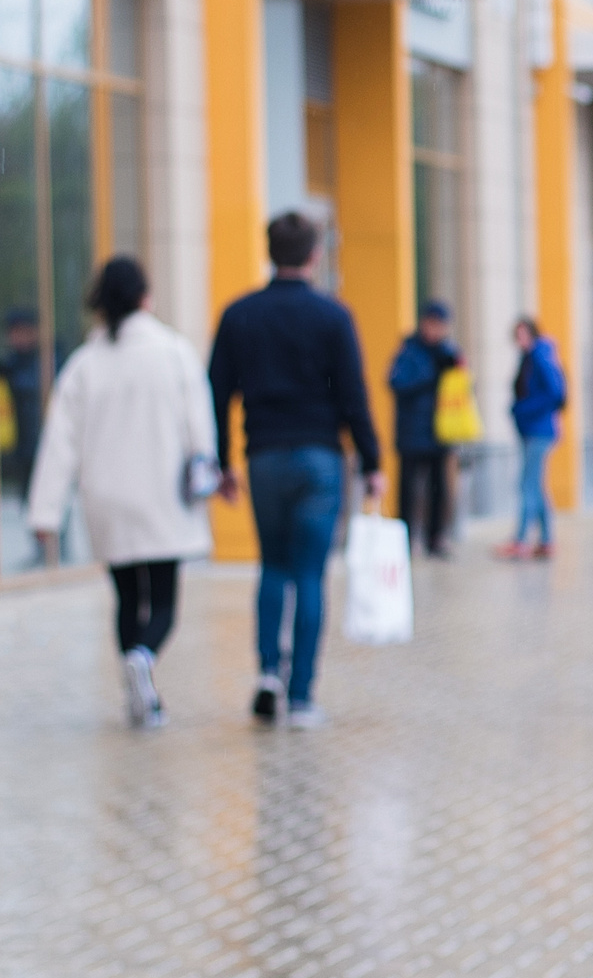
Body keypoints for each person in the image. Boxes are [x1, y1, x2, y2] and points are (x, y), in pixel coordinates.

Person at [207, 209, 383, 728]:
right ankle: (302, 695)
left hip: (262, 457)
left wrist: (221, 463)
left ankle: (267, 672)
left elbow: (215, 393)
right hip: (321, 459)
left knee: (273, 567)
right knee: (310, 573)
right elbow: (354, 396)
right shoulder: (333, 317)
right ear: (314, 255)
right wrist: (373, 461)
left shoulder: (239, 315)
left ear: (270, 251)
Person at [26, 257, 217, 727]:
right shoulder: (174, 352)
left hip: (106, 500)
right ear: (144, 297)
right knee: (165, 603)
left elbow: (60, 442)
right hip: (163, 496)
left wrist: (45, 512)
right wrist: (210, 474)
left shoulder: (84, 366)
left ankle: (141, 699)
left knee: (128, 598)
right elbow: (200, 428)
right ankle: (144, 660)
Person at [388, 300, 462, 559]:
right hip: (411, 432)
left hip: (440, 431)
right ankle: (406, 539)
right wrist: (429, 375)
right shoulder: (409, 350)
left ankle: (435, 537)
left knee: (438, 488)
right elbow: (396, 382)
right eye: (433, 324)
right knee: (408, 490)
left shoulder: (449, 353)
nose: (436, 330)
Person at [499, 315, 566, 558]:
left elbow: (556, 393)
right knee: (535, 485)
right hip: (531, 429)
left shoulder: (540, 356)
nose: (519, 340)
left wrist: (523, 408)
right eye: (517, 336)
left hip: (539, 430)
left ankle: (521, 539)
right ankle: (546, 539)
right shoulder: (530, 357)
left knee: (527, 484)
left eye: (523, 335)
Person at [1, 308, 40, 496]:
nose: (18, 337)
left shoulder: (48, 360)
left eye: (23, 331)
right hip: (19, 447)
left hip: (43, 443)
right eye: (14, 332)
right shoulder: (10, 364)